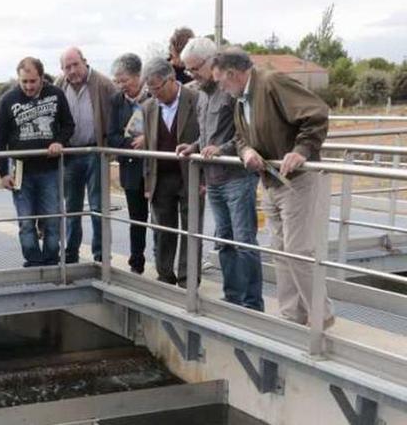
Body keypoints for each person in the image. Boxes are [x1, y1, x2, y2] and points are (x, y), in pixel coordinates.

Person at [212, 48, 333, 326]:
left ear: (232, 74)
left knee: (298, 250)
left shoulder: (271, 82)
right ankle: (292, 315)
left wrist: (302, 150)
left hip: (296, 180)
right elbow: (240, 138)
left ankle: (320, 317)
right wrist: (247, 153)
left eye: (221, 81)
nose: (220, 86)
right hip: (270, 181)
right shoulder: (241, 98)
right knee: (280, 250)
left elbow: (316, 113)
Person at [175, 38, 264, 311]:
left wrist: (221, 149)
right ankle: (232, 296)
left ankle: (252, 303)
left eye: (195, 69)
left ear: (212, 61)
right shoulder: (202, 94)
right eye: (188, 70)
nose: (191, 75)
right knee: (223, 241)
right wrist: (194, 147)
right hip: (213, 179)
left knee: (243, 241)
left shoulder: (231, 91)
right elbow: (206, 134)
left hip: (237, 177)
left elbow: (244, 133)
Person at [0, 57, 75, 267]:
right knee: (26, 221)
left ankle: (50, 259)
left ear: (41, 78)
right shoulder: (8, 100)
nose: (29, 86)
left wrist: (59, 141)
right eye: (24, 82)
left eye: (33, 81)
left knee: (52, 218)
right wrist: (2, 172)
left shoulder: (56, 95)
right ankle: (33, 260)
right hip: (21, 169)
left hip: (49, 169)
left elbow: (68, 124)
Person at [140, 57, 201, 286]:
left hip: (190, 176)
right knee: (163, 230)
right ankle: (165, 274)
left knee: (191, 230)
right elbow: (148, 147)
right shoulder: (148, 107)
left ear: (171, 80)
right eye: (150, 89)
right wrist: (148, 183)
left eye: (156, 88)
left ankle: (188, 280)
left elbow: (205, 135)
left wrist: (203, 177)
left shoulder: (195, 100)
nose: (154, 93)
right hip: (161, 178)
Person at [54, 47, 116, 263]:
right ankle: (71, 254)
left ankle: (101, 256)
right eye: (67, 67)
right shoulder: (59, 86)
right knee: (71, 208)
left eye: (75, 65)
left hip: (95, 152)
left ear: (85, 62)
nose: (72, 71)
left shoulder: (104, 84)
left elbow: (117, 115)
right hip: (70, 154)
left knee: (98, 207)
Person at [108, 53, 151, 273]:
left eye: (125, 80)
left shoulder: (155, 95)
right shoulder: (116, 101)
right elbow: (112, 135)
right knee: (137, 219)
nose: (121, 85)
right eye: (117, 81)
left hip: (156, 170)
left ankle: (166, 267)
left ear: (138, 76)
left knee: (163, 220)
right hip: (131, 168)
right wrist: (132, 144)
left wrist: (149, 139)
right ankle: (137, 263)